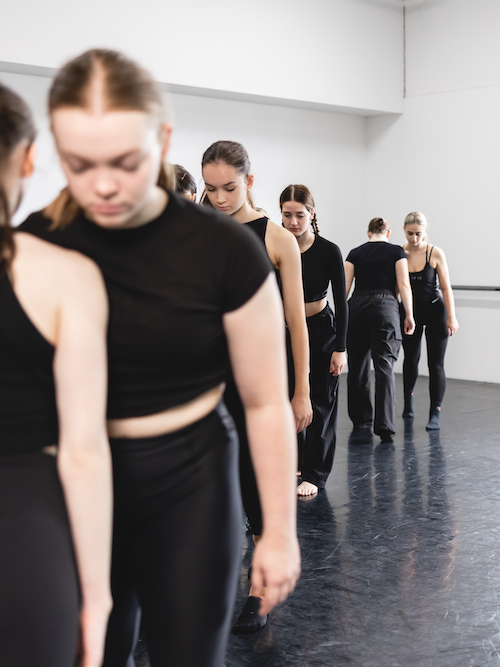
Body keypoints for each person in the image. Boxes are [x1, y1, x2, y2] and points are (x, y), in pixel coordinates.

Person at [18, 49, 300, 666]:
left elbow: (262, 400)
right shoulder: (39, 241)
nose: (103, 185)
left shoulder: (226, 251)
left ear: (163, 139)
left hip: (191, 481)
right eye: (78, 163)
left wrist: (278, 530)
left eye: (124, 161)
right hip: (74, 483)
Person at [0, 80, 112, 667]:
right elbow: (84, 452)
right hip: (22, 552)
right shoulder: (66, 274)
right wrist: (97, 598)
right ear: (28, 158)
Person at [200, 140, 312, 633]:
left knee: (254, 481)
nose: (219, 198)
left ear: (248, 181)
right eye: (209, 188)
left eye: (228, 187)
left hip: (258, 381)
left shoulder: (275, 238)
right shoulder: (197, 231)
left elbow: (296, 323)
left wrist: (302, 390)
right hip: (205, 379)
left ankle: (259, 593)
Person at [281, 184, 347, 497]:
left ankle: (315, 474)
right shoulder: (276, 247)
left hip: (321, 328)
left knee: (321, 400)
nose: (293, 221)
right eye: (287, 215)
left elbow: (342, 302)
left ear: (312, 213)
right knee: (290, 396)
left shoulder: (328, 250)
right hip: (285, 330)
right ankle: (296, 460)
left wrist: (340, 348)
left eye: (300, 215)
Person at [345, 217, 415, 441]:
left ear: (368, 233)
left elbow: (344, 287)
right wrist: (409, 314)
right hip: (385, 307)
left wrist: (340, 316)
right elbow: (404, 284)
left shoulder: (354, 253)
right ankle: (384, 425)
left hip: (357, 307)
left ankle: (361, 419)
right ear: (388, 233)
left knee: (357, 366)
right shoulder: (396, 252)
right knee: (384, 365)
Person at [400, 211, 459, 430]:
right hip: (409, 313)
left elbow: (445, 287)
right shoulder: (399, 253)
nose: (414, 238)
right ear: (403, 230)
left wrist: (451, 317)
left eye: (417, 234)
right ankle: (408, 403)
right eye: (409, 234)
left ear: (425, 230)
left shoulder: (435, 253)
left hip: (435, 311)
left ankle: (435, 412)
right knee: (410, 359)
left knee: (435, 364)